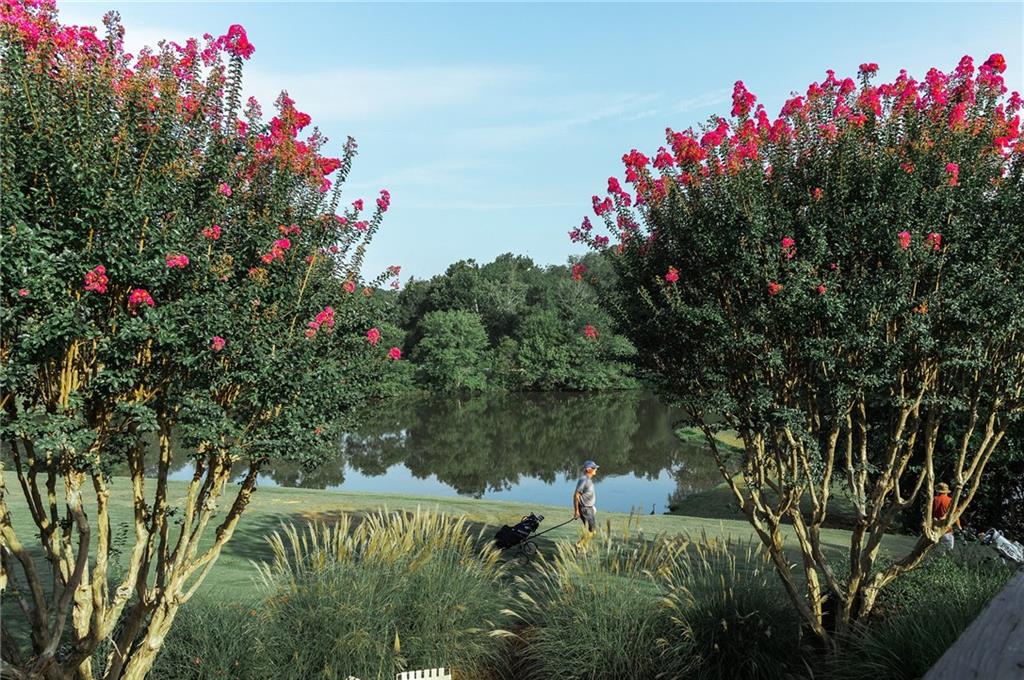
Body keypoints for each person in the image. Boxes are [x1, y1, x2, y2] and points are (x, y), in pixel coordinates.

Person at [573, 460, 599, 550]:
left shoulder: (588, 480)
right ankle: (578, 546)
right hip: (585, 509)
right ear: (588, 469)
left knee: (589, 530)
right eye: (594, 468)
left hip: (589, 509)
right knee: (592, 531)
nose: (596, 469)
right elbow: (576, 495)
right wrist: (576, 511)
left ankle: (582, 547)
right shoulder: (584, 480)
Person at [932, 482, 960, 551]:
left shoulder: (933, 500)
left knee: (933, 553)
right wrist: (959, 526)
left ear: (937, 491)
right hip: (946, 531)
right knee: (947, 553)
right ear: (946, 492)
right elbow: (955, 515)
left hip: (933, 531)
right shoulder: (951, 501)